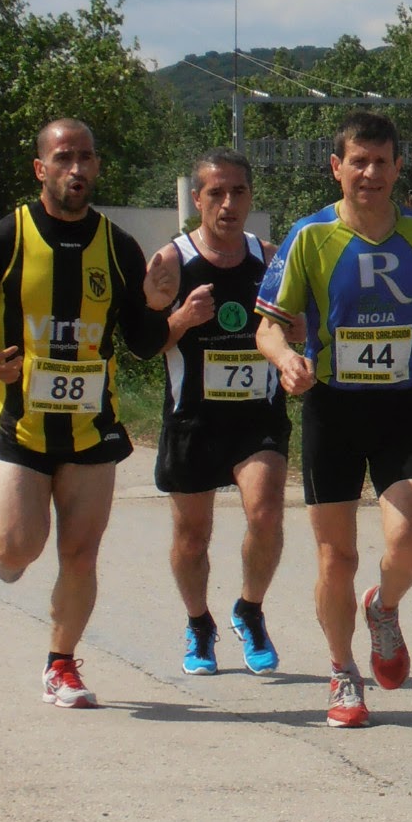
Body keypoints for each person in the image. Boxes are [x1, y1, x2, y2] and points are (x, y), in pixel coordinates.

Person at [0, 117, 190, 706]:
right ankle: (7, 549)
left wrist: (159, 307)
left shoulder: (118, 246)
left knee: (80, 552)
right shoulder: (8, 237)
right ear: (41, 169)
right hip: (23, 425)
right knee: (16, 547)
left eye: (86, 158)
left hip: (93, 427)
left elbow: (141, 342)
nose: (76, 169)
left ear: (96, 166)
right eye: (63, 158)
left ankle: (62, 664)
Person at [254, 110, 412, 729]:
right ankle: (342, 670)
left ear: (399, 168)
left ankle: (384, 607)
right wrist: (285, 360)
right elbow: (268, 325)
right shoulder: (309, 236)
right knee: (337, 557)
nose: (370, 173)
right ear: (336, 167)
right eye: (358, 162)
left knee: (410, 539)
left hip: (403, 403)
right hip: (333, 408)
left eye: (381, 162)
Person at [144, 149, 290, 677]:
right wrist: (181, 318)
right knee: (192, 534)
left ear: (250, 197)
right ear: (197, 199)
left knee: (266, 514)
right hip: (194, 418)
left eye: (238, 192)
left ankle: (249, 610)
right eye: (216, 193)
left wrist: (296, 336)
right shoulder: (170, 262)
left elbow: (297, 325)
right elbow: (144, 343)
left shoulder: (270, 258)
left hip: (257, 416)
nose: (228, 203)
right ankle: (199, 623)